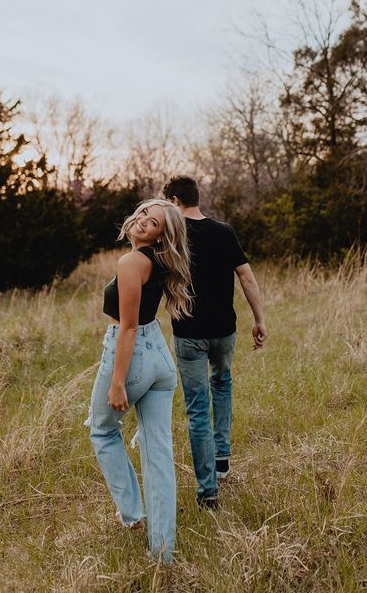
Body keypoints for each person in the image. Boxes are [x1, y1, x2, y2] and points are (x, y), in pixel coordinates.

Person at [87, 198, 192, 563]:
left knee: (102, 430)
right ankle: (163, 552)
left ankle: (132, 514)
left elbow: (128, 328)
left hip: (133, 355)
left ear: (163, 236)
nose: (145, 221)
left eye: (155, 222)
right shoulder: (159, 261)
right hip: (160, 358)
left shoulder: (132, 262)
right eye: (146, 213)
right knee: (159, 453)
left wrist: (118, 382)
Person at [162, 176, 267, 508]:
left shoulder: (169, 236)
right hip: (224, 330)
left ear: (176, 200)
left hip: (188, 333)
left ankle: (208, 491)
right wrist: (259, 319)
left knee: (197, 410)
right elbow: (247, 276)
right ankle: (222, 459)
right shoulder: (224, 231)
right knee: (222, 383)